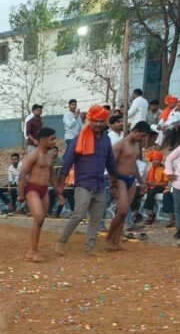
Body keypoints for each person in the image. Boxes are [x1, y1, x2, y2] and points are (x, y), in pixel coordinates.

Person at [55, 105, 119, 256]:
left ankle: (90, 247)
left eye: (101, 121)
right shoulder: (80, 138)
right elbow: (68, 160)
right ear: (90, 120)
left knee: (97, 217)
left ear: (105, 122)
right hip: (83, 183)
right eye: (95, 121)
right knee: (79, 214)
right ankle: (61, 242)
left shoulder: (106, 140)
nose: (98, 124)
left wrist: (114, 181)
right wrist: (61, 182)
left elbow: (110, 162)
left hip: (99, 184)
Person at [17, 127, 62, 262]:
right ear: (43, 140)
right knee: (39, 217)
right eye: (52, 139)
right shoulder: (33, 155)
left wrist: (58, 192)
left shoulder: (49, 157)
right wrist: (20, 194)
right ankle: (32, 251)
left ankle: (33, 249)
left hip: (44, 190)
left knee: (40, 221)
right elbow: (22, 175)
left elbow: (52, 175)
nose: (55, 141)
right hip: (32, 189)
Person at [105, 122, 150, 250]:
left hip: (131, 180)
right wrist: (112, 183)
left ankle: (116, 241)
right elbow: (110, 165)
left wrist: (141, 181)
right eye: (142, 135)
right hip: (119, 179)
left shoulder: (136, 145)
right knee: (123, 210)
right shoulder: (120, 144)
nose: (142, 139)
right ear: (135, 131)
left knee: (123, 213)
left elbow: (134, 165)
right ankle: (109, 237)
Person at [141, 150, 169, 224]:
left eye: (156, 159)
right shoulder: (151, 169)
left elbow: (165, 183)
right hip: (152, 186)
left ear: (160, 160)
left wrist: (154, 184)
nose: (154, 161)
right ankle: (135, 213)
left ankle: (150, 214)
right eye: (152, 160)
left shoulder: (164, 169)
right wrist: (147, 183)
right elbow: (146, 180)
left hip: (160, 187)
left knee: (151, 192)